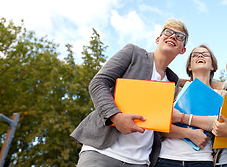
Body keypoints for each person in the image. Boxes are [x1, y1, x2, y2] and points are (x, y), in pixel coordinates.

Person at [70, 19, 188, 167]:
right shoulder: (133, 53)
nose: (172, 36)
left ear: (183, 50)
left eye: (179, 36)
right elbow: (98, 83)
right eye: (168, 32)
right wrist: (116, 117)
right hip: (102, 153)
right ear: (158, 39)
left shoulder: (173, 81)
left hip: (139, 161)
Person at [155, 44, 219, 167]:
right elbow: (161, 126)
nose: (200, 55)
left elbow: (217, 124)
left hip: (202, 160)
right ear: (189, 67)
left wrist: (181, 117)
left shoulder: (220, 94)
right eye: (195, 54)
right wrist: (190, 133)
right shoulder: (175, 91)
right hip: (167, 157)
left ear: (213, 66)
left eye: (205, 54)